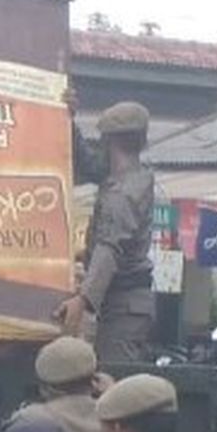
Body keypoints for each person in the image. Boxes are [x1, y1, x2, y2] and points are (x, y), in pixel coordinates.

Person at [54, 102, 155, 363]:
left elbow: (109, 249)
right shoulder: (125, 176)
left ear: (108, 140)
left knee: (112, 382)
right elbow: (88, 163)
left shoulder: (123, 193)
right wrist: (68, 118)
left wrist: (83, 300)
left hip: (124, 305)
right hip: (125, 303)